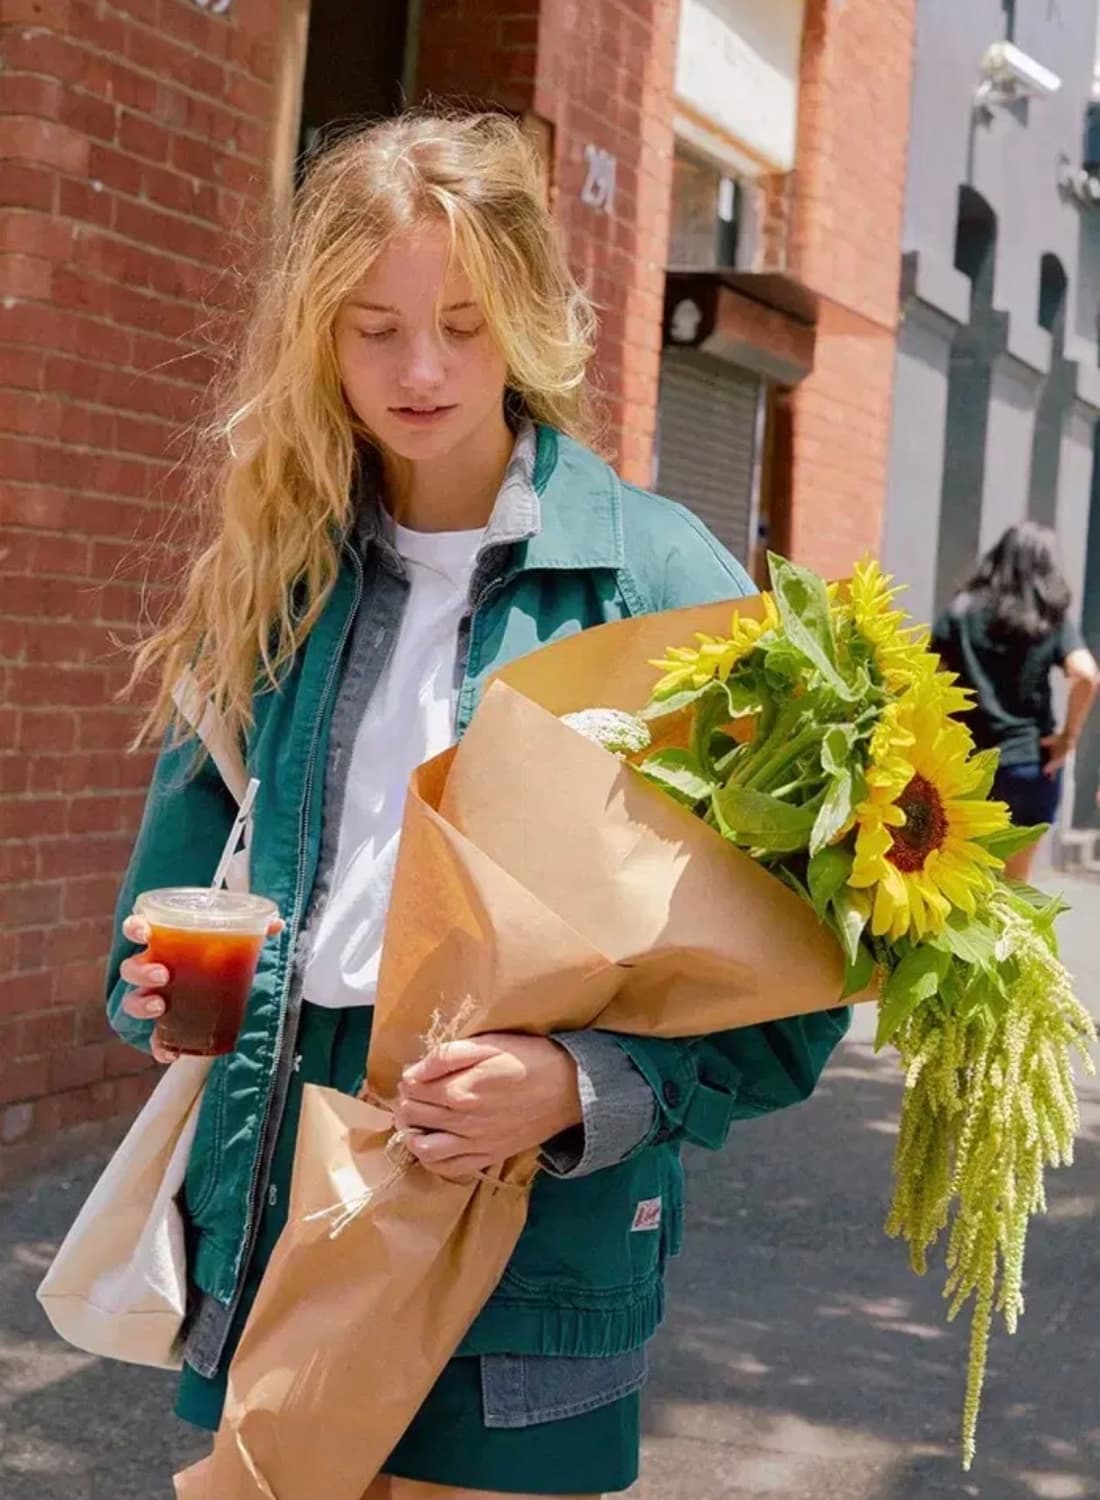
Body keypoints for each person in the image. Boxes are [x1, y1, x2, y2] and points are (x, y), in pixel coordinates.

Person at [106, 112, 850, 1500]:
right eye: (373, 327)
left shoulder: (661, 582)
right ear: (319, 336)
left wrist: (584, 1086)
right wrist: (151, 987)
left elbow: (793, 992)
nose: (423, 368)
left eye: (461, 318)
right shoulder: (278, 572)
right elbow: (159, 901)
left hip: (529, 1209)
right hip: (281, 1170)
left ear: (527, 313)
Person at [932, 522, 1099, 882]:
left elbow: (930, 678)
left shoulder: (960, 611)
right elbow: (1086, 674)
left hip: (968, 768)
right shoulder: (1049, 618)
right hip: (1028, 766)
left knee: (964, 880)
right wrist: (1068, 738)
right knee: (1012, 888)